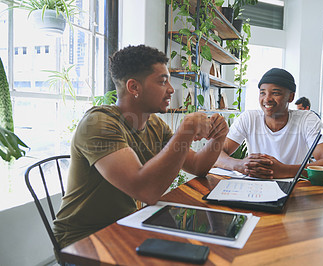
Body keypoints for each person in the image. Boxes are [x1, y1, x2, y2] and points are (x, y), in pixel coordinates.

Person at [53, 45, 229, 249]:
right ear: (134, 87)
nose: (171, 89)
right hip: (83, 239)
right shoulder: (99, 124)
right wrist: (186, 129)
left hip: (128, 224)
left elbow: (197, 166)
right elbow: (146, 192)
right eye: (163, 81)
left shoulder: (154, 124)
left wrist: (218, 137)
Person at [215, 68, 323, 179]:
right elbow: (215, 153)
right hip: (255, 187)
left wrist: (284, 170)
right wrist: (238, 165)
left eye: (275, 93)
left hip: (294, 187)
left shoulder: (307, 119)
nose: (267, 99)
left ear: (291, 97)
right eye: (262, 93)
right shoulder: (249, 118)